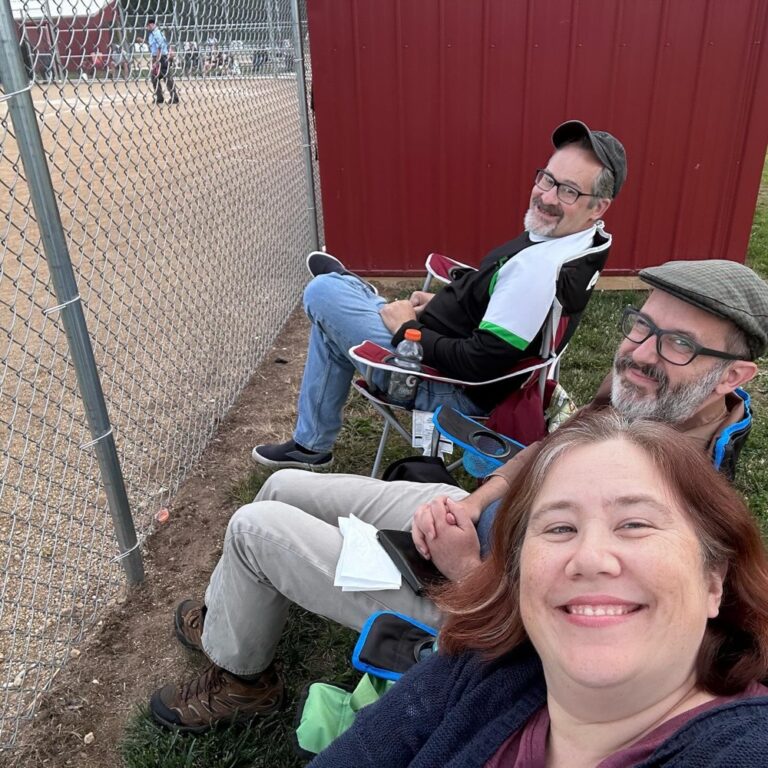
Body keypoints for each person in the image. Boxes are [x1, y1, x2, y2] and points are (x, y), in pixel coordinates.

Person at [148, 258, 767, 734]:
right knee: (282, 485)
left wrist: (464, 569)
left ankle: (243, 680)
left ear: (734, 376)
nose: (641, 352)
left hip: (479, 611)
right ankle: (230, 625)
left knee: (255, 530)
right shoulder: (647, 397)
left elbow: (576, 638)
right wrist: (474, 503)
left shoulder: (682, 503)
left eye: (678, 343)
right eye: (642, 325)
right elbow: (549, 450)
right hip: (479, 529)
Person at [309, 411, 768, 767]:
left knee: (254, 531)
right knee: (281, 489)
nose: (589, 557)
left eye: (634, 523)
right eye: (560, 528)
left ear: (714, 578)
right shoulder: (480, 671)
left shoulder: (740, 750)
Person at [252, 120, 626, 470]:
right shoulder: (581, 244)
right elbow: (502, 310)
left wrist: (406, 332)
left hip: (440, 384)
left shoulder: (539, 272)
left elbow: (478, 365)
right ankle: (312, 441)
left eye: (569, 191)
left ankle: (352, 297)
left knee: (322, 294)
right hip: (452, 352)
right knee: (332, 313)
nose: (546, 196)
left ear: (599, 207)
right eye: (547, 179)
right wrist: (447, 304)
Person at [146, 18, 179, 105]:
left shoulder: (157, 34)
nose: (147, 27)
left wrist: (157, 61)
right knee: (154, 78)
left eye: (148, 25)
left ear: (152, 24)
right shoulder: (152, 34)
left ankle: (174, 97)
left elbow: (159, 48)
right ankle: (159, 97)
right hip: (156, 57)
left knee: (167, 78)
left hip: (161, 57)